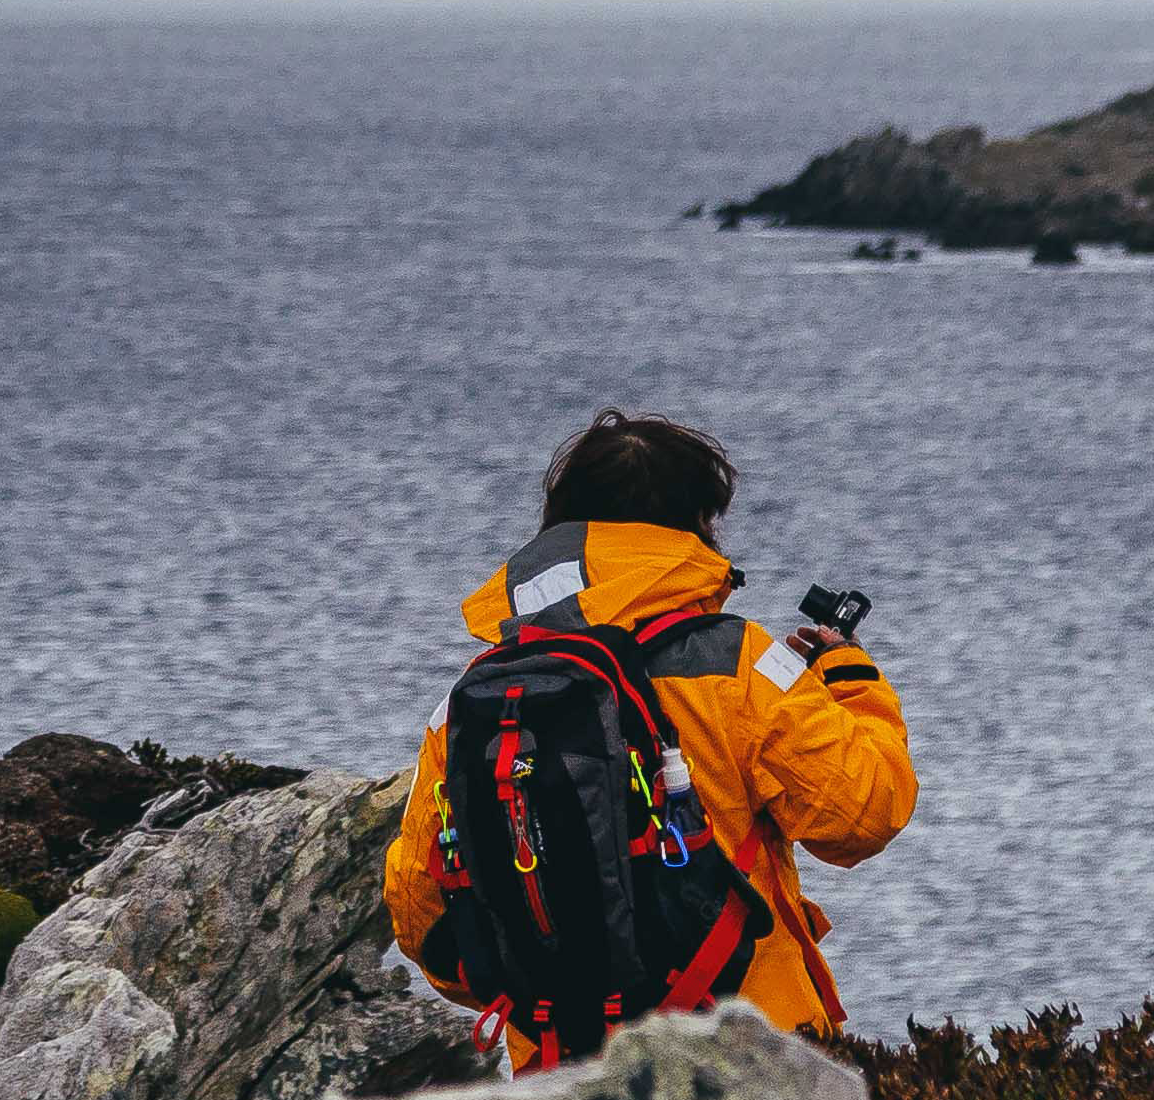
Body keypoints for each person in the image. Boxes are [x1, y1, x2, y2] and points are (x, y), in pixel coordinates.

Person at [382, 409, 915, 1065]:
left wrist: (556, 982)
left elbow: (422, 920)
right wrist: (851, 674)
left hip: (564, 1082)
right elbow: (864, 813)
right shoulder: (738, 661)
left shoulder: (473, 699)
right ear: (693, 527)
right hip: (749, 1069)